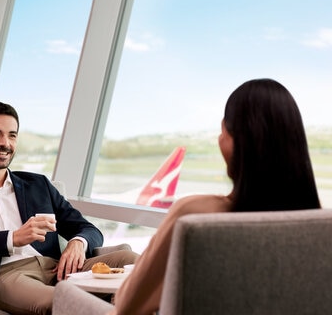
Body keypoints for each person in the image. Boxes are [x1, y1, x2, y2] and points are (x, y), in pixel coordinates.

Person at [108, 78, 321, 315]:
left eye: (223, 132)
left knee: (63, 295)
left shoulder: (194, 213)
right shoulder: (320, 226)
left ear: (232, 144)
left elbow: (127, 306)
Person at [0, 101, 138, 315]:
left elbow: (88, 229)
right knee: (59, 302)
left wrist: (77, 243)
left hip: (57, 268)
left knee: (135, 262)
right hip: (5, 275)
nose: (4, 143)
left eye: (12, 135)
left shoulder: (39, 185)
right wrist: (10, 238)